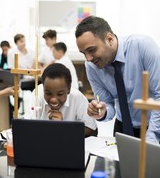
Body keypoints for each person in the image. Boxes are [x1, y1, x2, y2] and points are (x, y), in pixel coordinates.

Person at [75, 15, 160, 144]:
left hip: (154, 126)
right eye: (83, 53)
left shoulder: (143, 47)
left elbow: (159, 95)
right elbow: (107, 104)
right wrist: (102, 112)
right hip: (122, 128)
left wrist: (152, 136)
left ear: (109, 39)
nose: (88, 58)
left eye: (91, 50)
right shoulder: (92, 66)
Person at [24, 64, 97, 137]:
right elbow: (27, 126)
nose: (53, 100)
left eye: (60, 94)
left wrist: (62, 127)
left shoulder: (77, 97)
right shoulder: (37, 93)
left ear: (68, 89)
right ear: (43, 88)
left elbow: (91, 129)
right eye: (48, 93)